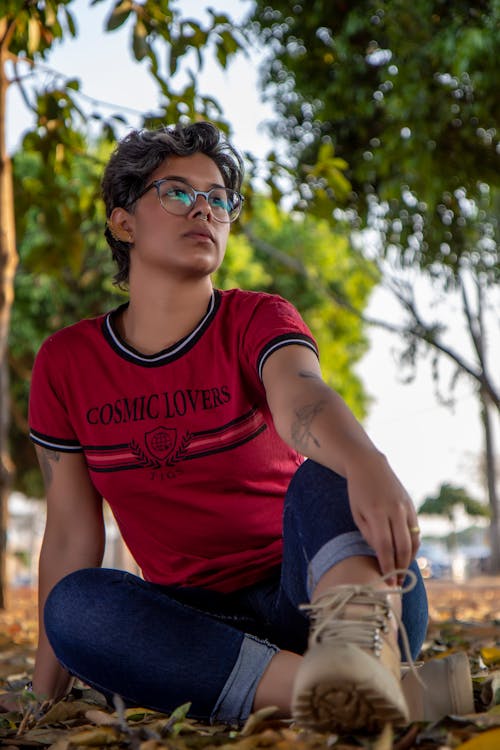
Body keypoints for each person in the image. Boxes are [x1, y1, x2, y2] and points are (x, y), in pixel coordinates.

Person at [1, 121, 473, 732]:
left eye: (218, 198)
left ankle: (359, 662)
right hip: (205, 634)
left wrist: (368, 464)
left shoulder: (256, 317)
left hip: (327, 590)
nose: (204, 207)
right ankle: (358, 694)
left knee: (327, 473)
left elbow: (301, 396)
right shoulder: (67, 362)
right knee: (76, 607)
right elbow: (68, 533)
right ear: (123, 222)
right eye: (177, 193)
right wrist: (43, 695)